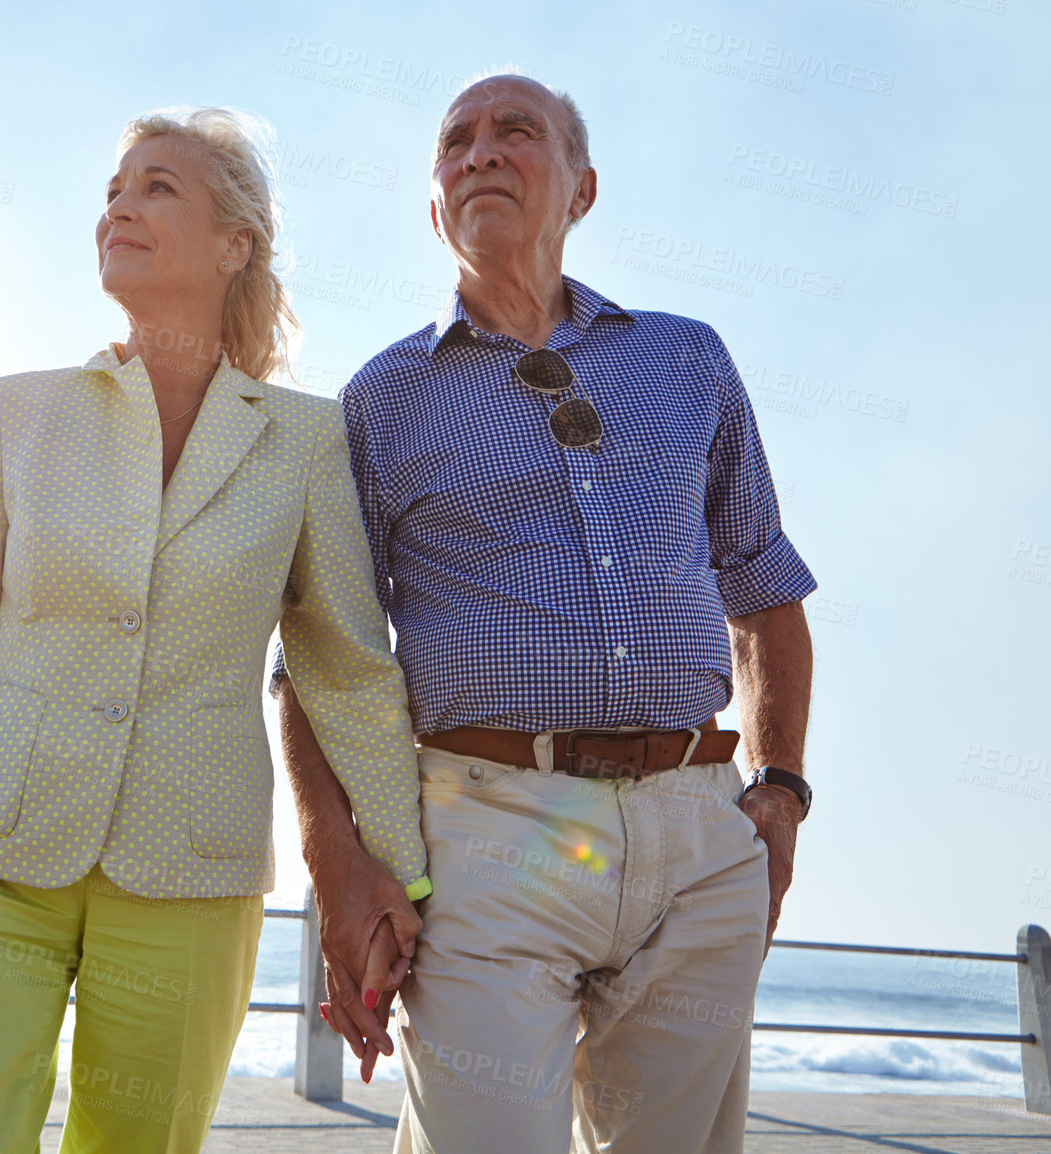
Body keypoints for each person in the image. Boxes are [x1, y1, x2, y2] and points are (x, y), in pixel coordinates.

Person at [0, 107, 430, 1154]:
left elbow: (345, 667)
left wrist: (401, 877)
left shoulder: (304, 439)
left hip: (193, 869)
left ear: (236, 242)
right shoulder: (17, 411)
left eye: (157, 186)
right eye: (113, 188)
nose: (120, 204)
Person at [274, 74, 816, 1153]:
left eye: (513, 133)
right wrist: (338, 868)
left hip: (701, 825)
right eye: (454, 143)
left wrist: (782, 790)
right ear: (436, 208)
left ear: (582, 188)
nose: (478, 153)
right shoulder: (379, 398)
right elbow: (318, 656)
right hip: (487, 825)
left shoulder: (688, 358)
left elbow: (761, 587)